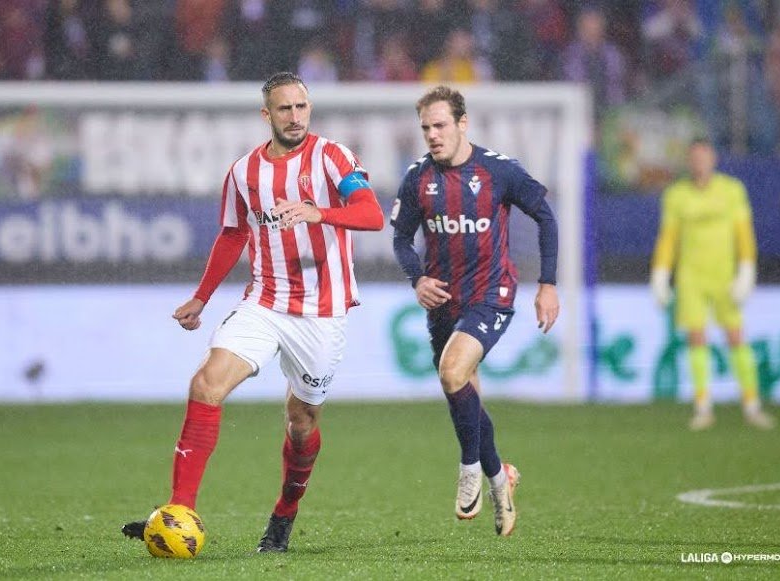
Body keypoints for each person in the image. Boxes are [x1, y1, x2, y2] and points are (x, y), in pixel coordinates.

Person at [121, 72, 385, 552]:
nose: (295, 116)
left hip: (321, 315)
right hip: (264, 302)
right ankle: (180, 508)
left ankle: (284, 513)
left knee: (301, 421)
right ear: (267, 115)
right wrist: (201, 297)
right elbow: (232, 234)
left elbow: (371, 214)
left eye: (302, 106)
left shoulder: (333, 157)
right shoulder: (244, 172)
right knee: (206, 383)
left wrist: (318, 212)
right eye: (284, 109)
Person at [390, 86, 559, 536]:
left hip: (492, 293)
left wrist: (548, 284)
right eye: (425, 127)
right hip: (444, 303)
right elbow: (401, 239)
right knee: (465, 390)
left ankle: (469, 468)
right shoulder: (418, 179)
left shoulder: (498, 171)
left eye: (440, 124)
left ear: (463, 123)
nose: (432, 134)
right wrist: (417, 279)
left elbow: (546, 216)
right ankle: (500, 479)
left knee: (451, 374)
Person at [650, 138, 775, 431]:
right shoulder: (677, 195)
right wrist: (660, 273)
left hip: (724, 276)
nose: (699, 162)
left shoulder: (732, 191)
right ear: (688, 161)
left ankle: (752, 405)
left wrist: (746, 269)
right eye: (694, 157)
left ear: (713, 159)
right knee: (697, 338)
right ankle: (703, 407)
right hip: (691, 277)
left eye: (703, 157)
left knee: (735, 336)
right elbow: (668, 239)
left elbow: (744, 233)